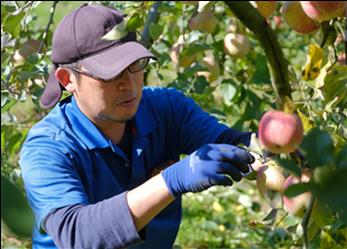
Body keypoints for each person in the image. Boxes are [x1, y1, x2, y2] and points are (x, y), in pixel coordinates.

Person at [19, 3, 256, 249]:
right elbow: (77, 235)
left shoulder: (166, 109)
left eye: (135, 65)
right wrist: (171, 180)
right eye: (110, 73)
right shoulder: (47, 148)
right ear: (68, 79)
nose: (129, 84)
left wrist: (283, 152)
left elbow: (234, 144)